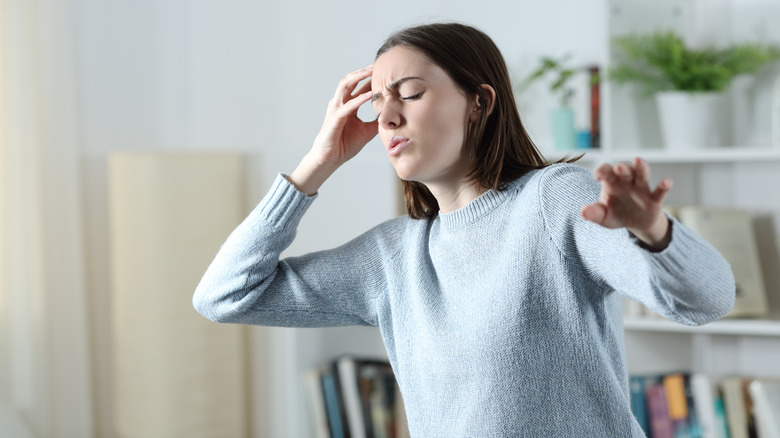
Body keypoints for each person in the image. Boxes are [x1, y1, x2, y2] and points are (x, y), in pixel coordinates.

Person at [193, 22, 735, 437]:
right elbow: (225, 295)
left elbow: (706, 300)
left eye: (409, 92)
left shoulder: (552, 200)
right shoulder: (393, 257)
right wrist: (317, 163)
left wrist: (653, 230)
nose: (386, 117)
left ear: (479, 102)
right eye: (377, 102)